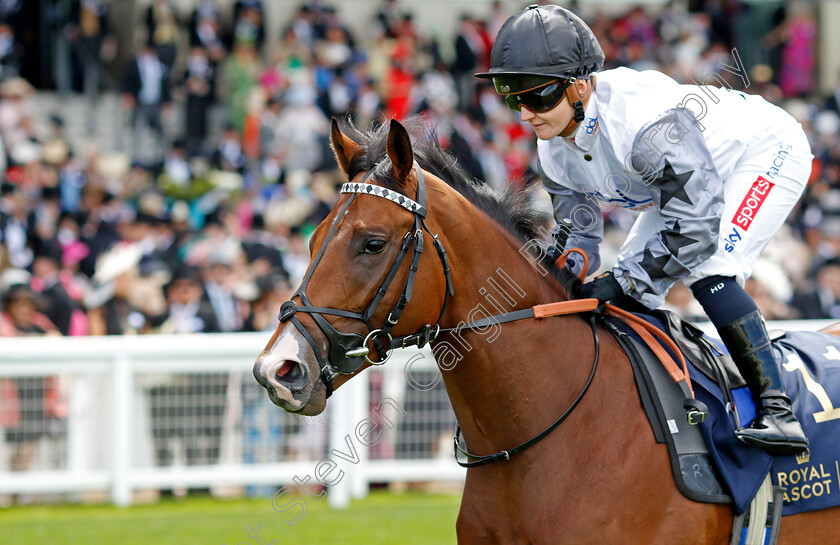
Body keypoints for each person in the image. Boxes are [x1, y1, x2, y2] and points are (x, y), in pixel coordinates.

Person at [476, 5, 811, 456]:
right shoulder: (553, 146)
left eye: (535, 97)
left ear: (578, 86)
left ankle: (778, 410)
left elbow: (695, 227)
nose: (524, 113)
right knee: (635, 294)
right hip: (683, 186)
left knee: (709, 267)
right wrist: (560, 274)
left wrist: (623, 279)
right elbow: (581, 236)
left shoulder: (640, 124)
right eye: (510, 96)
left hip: (765, 150)